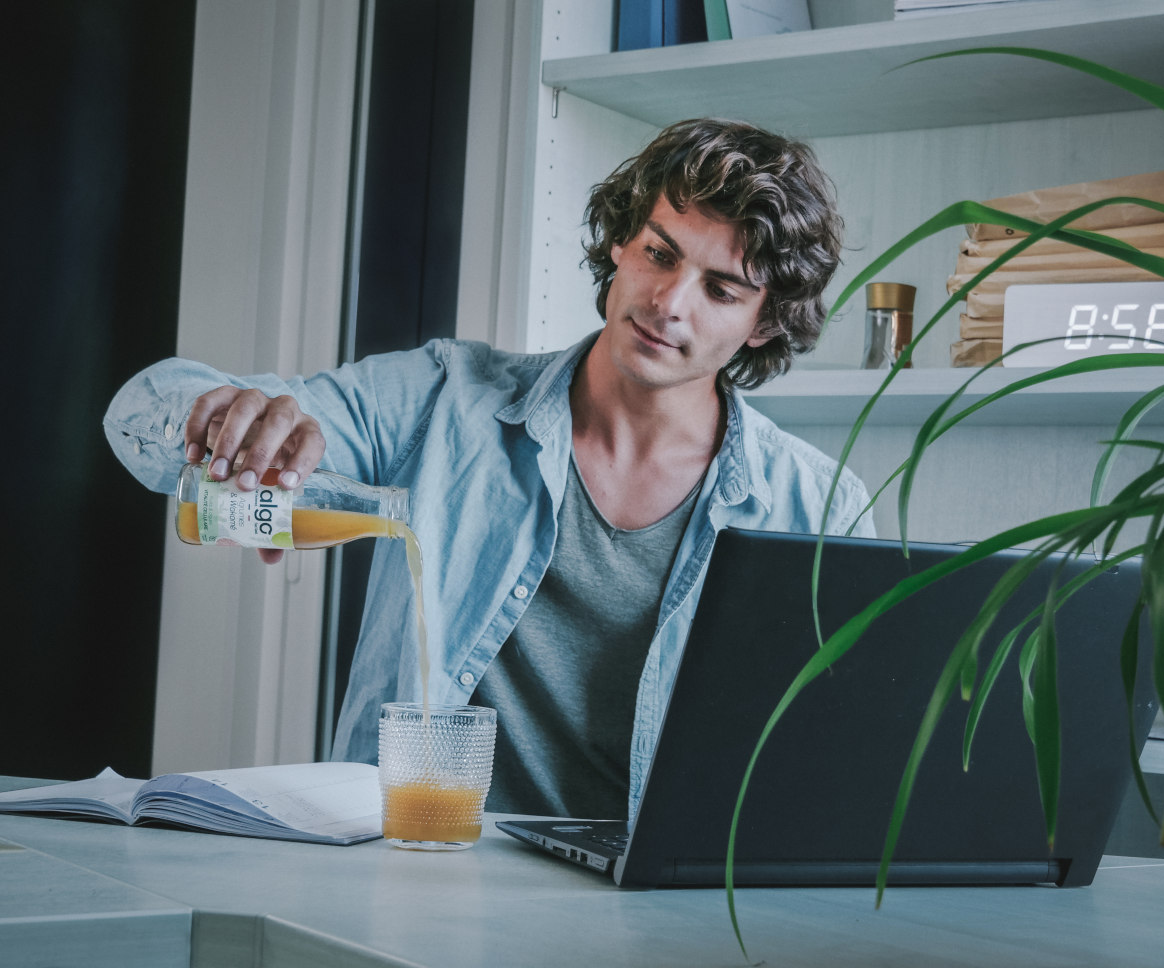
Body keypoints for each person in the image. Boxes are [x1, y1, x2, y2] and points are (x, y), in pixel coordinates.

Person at [104, 118, 872, 821]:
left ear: (765, 320)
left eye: (720, 289)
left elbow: (833, 762)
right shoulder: (447, 397)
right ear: (620, 245)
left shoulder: (818, 506)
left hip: (655, 910)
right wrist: (224, 414)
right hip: (414, 868)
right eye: (659, 255)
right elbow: (148, 418)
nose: (670, 303)